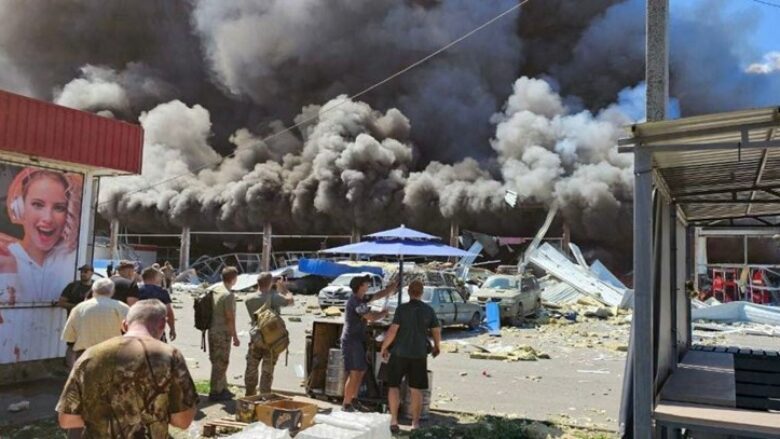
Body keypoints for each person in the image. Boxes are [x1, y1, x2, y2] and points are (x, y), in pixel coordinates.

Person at [56, 299, 198, 438]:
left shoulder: (91, 354)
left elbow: (66, 420)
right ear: (163, 323)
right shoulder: (170, 356)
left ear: (124, 325)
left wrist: (105, 419)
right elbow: (183, 421)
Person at [0, 167, 82, 303]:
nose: (48, 218)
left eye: (59, 208)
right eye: (38, 205)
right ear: (19, 207)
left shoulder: (69, 258)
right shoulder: (6, 257)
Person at [381, 280, 442, 432]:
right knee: (416, 389)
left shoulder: (402, 309)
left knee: (393, 386)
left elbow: (393, 330)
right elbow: (436, 330)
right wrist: (437, 346)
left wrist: (384, 346)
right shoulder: (428, 310)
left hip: (399, 353)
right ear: (422, 292)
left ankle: (394, 421)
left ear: (408, 292)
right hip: (419, 354)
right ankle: (415, 423)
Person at [340, 274, 398, 412]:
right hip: (351, 340)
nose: (368, 286)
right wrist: (383, 313)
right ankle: (346, 404)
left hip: (358, 339)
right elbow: (370, 317)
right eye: (366, 284)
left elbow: (377, 295)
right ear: (360, 286)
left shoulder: (362, 298)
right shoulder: (355, 302)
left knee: (361, 370)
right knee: (355, 372)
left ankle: (354, 399)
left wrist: (391, 288)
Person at [244, 273, 294, 396]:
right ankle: (264, 395)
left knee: (252, 366)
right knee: (267, 369)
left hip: (256, 338)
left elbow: (260, 292)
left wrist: (268, 285)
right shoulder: (275, 297)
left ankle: (250, 393)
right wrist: (282, 287)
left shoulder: (249, 298)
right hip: (272, 340)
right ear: (270, 282)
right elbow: (290, 301)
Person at [61, 278, 129, 367]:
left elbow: (69, 337)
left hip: (85, 354)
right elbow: (131, 330)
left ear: (93, 290)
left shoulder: (79, 308)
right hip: (112, 353)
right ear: (112, 292)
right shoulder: (122, 307)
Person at [208, 266, 240, 401]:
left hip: (212, 329)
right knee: (221, 362)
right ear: (233, 279)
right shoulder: (228, 295)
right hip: (222, 332)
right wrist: (235, 336)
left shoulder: (215, 289)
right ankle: (216, 391)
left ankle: (222, 387)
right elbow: (230, 317)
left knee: (217, 360)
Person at [59, 264, 95, 368]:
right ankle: (71, 371)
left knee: (89, 346)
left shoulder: (96, 287)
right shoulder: (73, 286)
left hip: (91, 323)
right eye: (82, 272)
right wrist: (78, 307)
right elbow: (61, 302)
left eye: (86, 271)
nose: (83, 274)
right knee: (72, 346)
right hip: (74, 322)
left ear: (92, 273)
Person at [138, 267, 176, 342]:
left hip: (139, 328)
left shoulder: (136, 290)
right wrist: (172, 328)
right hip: (157, 330)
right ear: (155, 278)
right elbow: (169, 312)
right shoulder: (162, 292)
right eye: (159, 276)